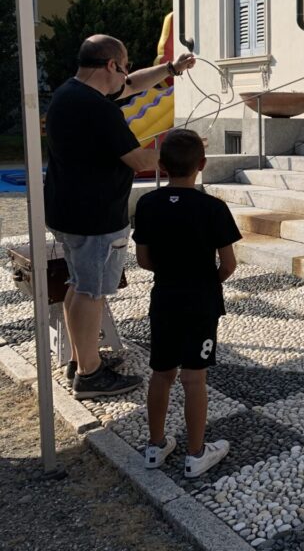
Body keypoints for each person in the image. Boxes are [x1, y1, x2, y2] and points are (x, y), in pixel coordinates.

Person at [45, 34, 196, 400]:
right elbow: (141, 160)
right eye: (124, 65)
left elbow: (129, 86)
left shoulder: (69, 93)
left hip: (67, 211)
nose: (126, 75)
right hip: (94, 217)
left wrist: (171, 69)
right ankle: (89, 374)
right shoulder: (98, 110)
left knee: (78, 286)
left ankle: (82, 358)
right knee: (90, 291)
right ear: (110, 64)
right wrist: (179, 145)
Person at [132, 129, 240, 478]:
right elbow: (228, 264)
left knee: (161, 374)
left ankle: (155, 444)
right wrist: (208, 282)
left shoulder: (148, 204)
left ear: (162, 165)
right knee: (195, 378)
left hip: (164, 298)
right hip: (201, 302)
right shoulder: (213, 208)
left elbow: (143, 260)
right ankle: (195, 453)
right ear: (202, 165)